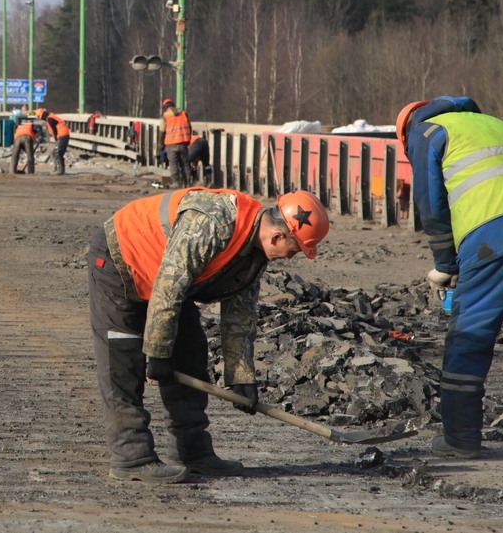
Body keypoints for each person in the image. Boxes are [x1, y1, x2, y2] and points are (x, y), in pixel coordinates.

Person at [89, 188, 330, 483]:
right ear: (278, 237)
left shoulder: (254, 254)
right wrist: (158, 351)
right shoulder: (212, 221)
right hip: (121, 260)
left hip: (166, 278)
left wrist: (241, 378)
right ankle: (131, 457)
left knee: (190, 353)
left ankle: (192, 452)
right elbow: (169, 285)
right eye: (293, 251)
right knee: (123, 365)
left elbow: (240, 317)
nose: (289, 258)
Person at [396, 97, 503, 462]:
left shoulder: (427, 132)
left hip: (492, 238)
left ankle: (461, 439)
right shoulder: (497, 124)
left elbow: (431, 205)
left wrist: (446, 263)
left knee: (470, 336)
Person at [159, 98, 193, 188]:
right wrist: (188, 140)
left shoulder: (165, 116)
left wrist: (161, 144)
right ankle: (188, 183)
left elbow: (162, 131)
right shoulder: (183, 113)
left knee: (173, 163)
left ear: (165, 107)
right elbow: (189, 127)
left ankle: (177, 183)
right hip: (183, 143)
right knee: (185, 163)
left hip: (171, 144)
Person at [34, 108, 70, 175]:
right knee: (57, 153)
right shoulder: (51, 117)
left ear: (41, 116)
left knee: (56, 152)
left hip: (62, 135)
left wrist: (57, 139)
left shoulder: (49, 119)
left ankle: (59, 170)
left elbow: (54, 130)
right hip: (63, 135)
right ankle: (60, 169)